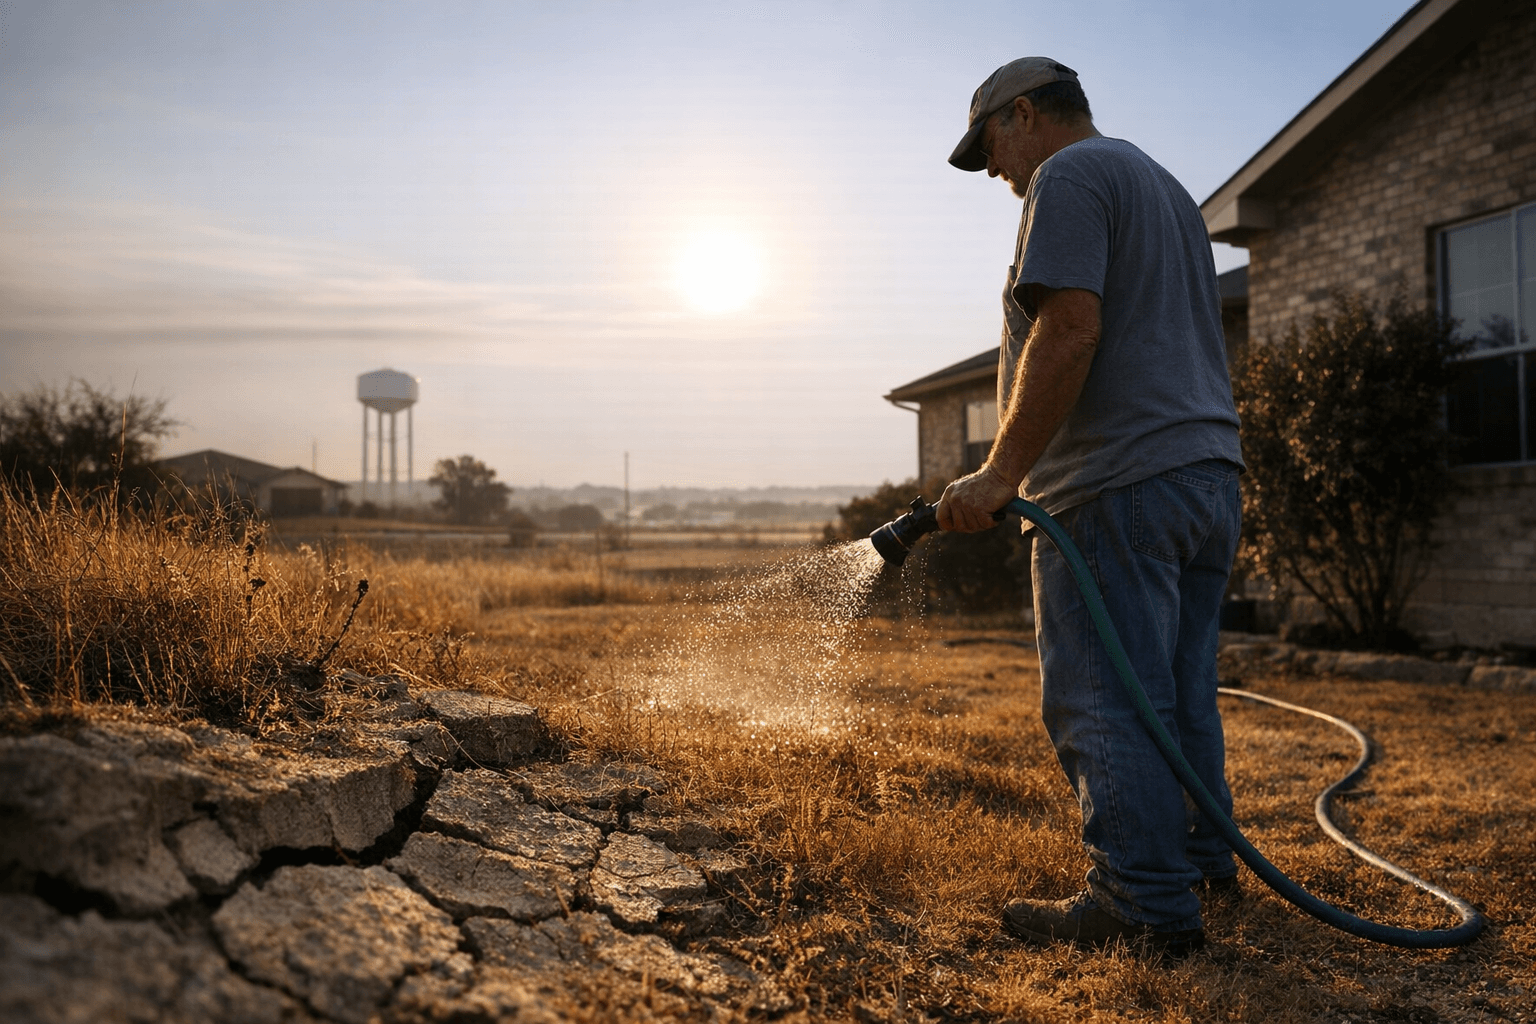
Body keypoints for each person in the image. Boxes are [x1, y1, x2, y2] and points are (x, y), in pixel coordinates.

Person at [934, 57, 1245, 956]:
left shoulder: (1068, 175)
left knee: (1104, 698)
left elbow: (1069, 328)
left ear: (1023, 113)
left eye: (989, 144)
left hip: (1117, 485)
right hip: (1205, 477)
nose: (994, 170)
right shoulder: (1165, 187)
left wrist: (1000, 474)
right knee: (1180, 694)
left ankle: (1144, 906)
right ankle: (1199, 863)